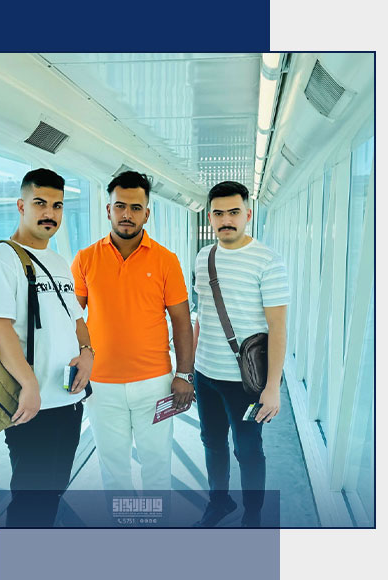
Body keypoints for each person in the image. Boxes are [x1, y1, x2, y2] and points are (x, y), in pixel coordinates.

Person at [0, 168, 95, 527]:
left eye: (57, 206)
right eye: (40, 203)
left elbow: (76, 320)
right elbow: (0, 326)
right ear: (21, 206)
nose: (49, 213)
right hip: (31, 404)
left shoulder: (58, 261)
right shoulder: (2, 257)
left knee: (52, 493)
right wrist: (28, 385)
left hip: (67, 400)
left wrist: (88, 353)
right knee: (30, 502)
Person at [71, 170, 195, 492]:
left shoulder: (166, 260)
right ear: (108, 210)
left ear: (146, 214)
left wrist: (184, 374)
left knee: (157, 467)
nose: (127, 214)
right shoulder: (85, 259)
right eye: (120, 206)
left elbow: (182, 321)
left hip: (155, 383)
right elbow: (70, 316)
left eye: (136, 208)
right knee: (113, 471)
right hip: (101, 385)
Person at [191, 181, 290, 527]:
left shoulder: (268, 262)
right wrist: (189, 369)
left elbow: (278, 328)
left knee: (247, 450)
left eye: (234, 212)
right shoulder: (204, 257)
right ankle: (219, 503)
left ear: (248, 214)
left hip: (244, 383)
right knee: (211, 442)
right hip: (205, 375)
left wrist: (272, 387)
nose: (226, 220)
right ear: (210, 217)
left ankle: (252, 515)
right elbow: (203, 315)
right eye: (218, 213)